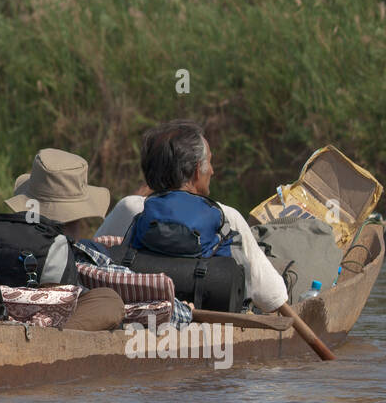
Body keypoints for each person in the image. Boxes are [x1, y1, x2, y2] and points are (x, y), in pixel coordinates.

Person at [96, 120, 288, 313]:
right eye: (210, 162)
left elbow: (93, 261)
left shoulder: (129, 207)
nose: (212, 170)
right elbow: (272, 296)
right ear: (197, 170)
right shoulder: (227, 216)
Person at [3, 148, 123, 330]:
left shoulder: (0, 237)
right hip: (49, 327)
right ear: (77, 218)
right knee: (110, 301)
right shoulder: (81, 255)